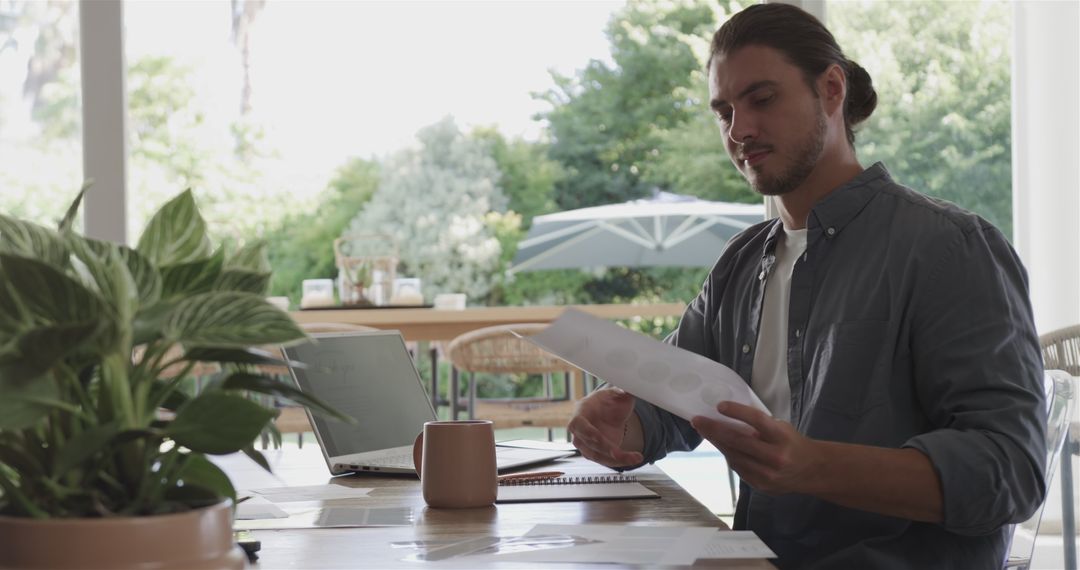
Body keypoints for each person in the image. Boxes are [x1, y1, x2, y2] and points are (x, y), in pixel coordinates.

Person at [567, 4, 1047, 569]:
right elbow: (673, 404)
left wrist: (811, 465)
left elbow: (1011, 469)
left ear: (832, 89)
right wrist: (619, 425)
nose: (739, 130)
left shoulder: (950, 249)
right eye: (723, 111)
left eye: (762, 99)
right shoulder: (740, 265)